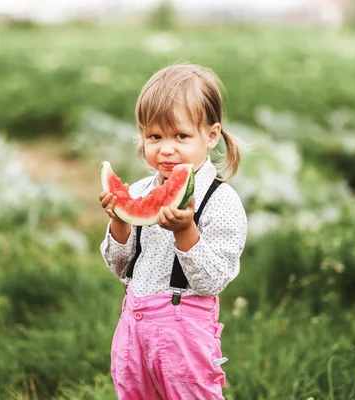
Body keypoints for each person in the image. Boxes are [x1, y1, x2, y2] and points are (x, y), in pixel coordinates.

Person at [99, 63, 248, 400]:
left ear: (210, 136)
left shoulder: (221, 202)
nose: (166, 149)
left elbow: (213, 282)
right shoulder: (138, 191)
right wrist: (120, 221)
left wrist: (186, 231)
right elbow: (120, 268)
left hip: (186, 331)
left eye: (180, 136)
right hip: (133, 327)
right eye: (155, 137)